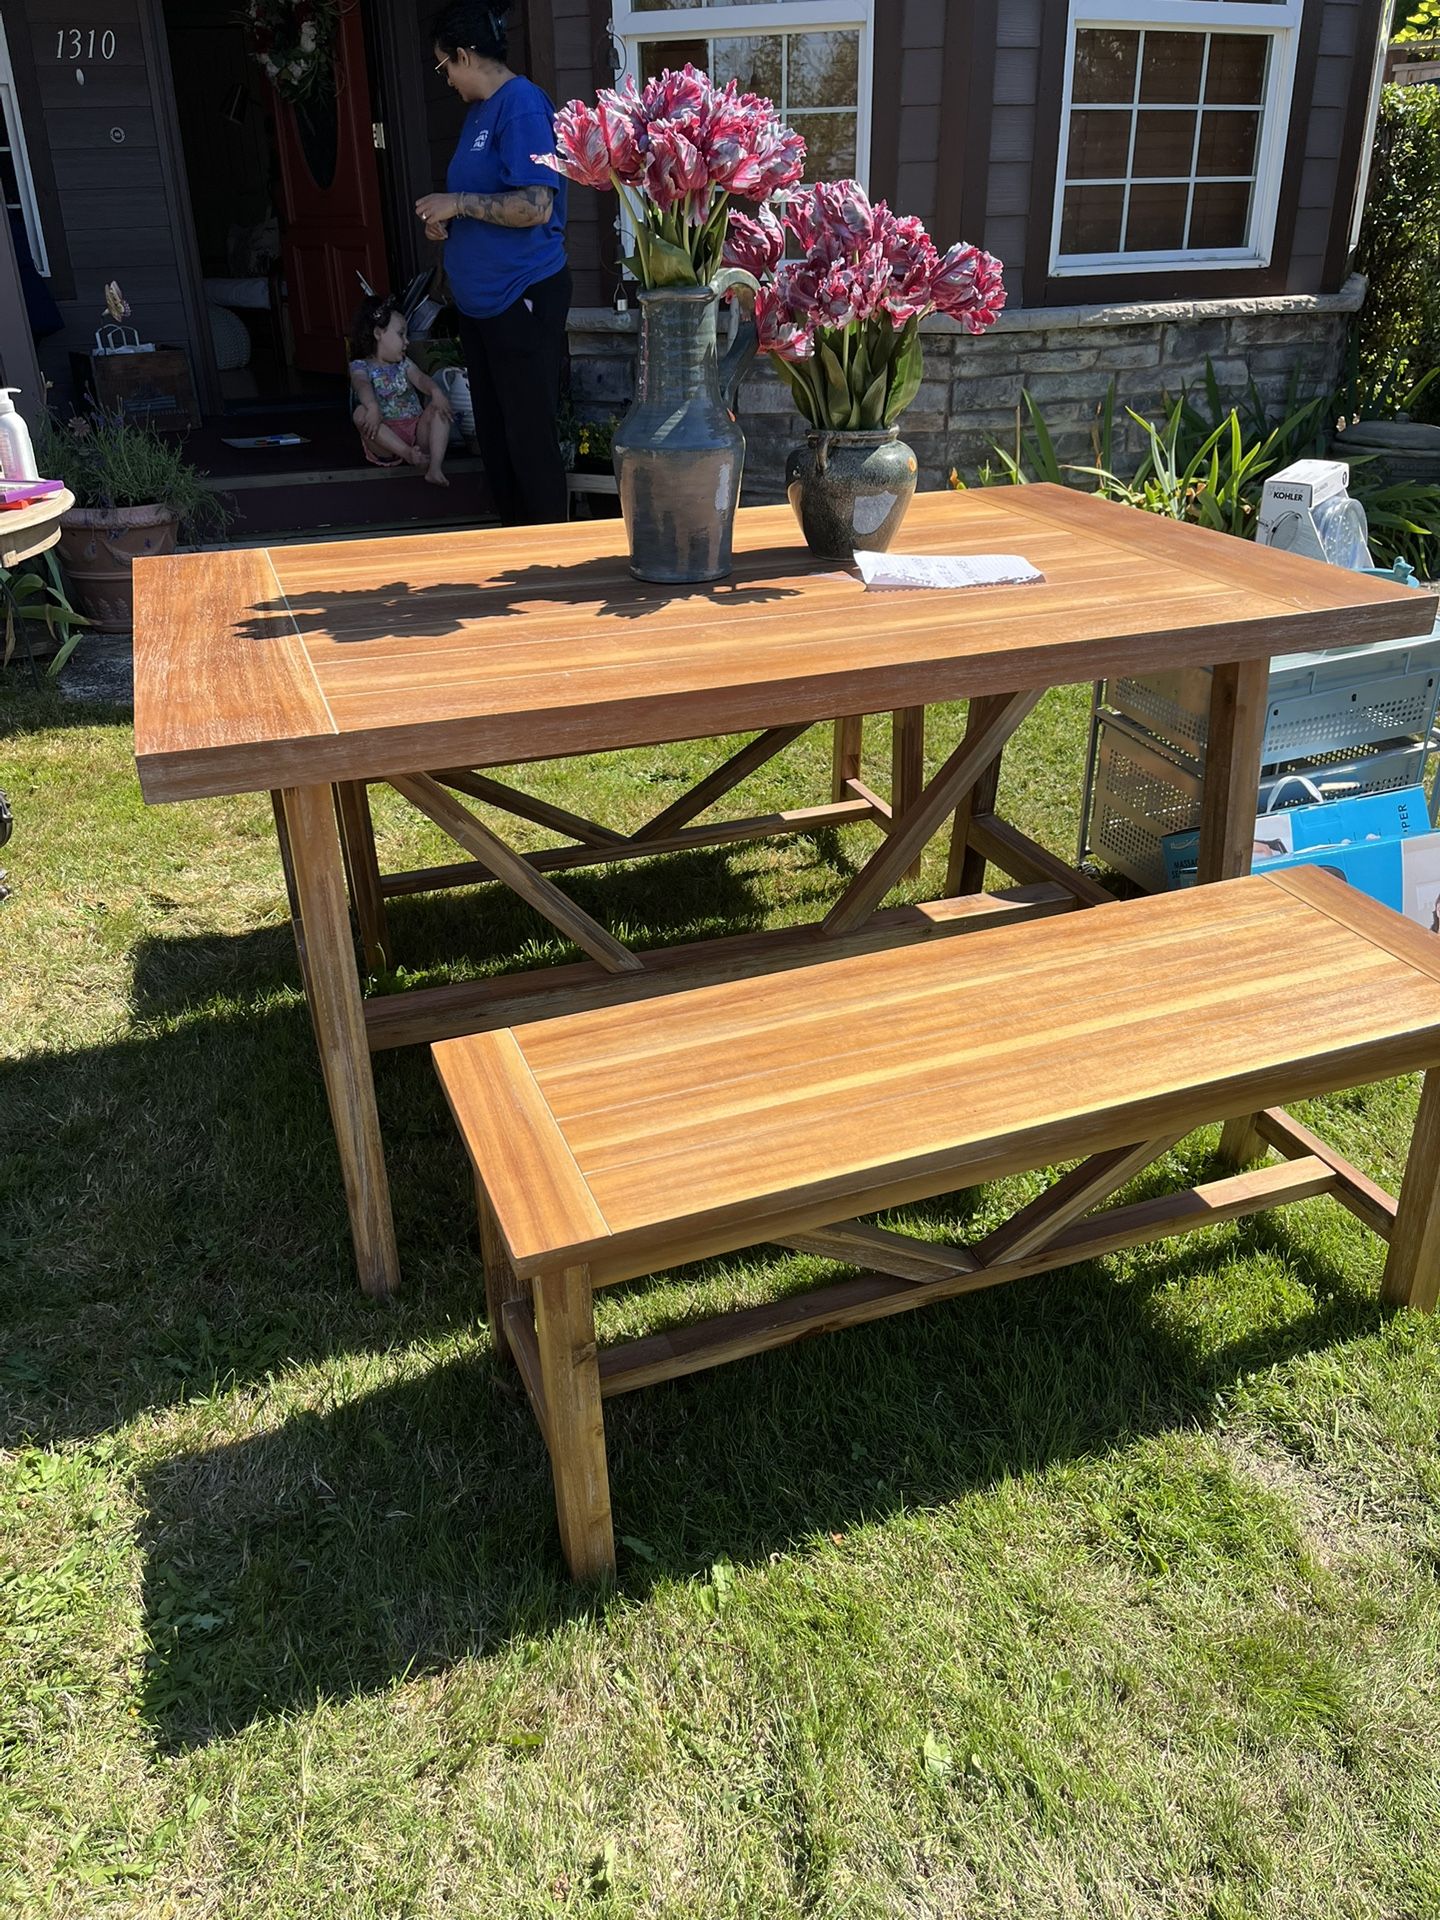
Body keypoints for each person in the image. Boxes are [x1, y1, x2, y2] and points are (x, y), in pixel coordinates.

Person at [415, 3, 570, 526]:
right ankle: (512, 547)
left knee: (528, 436)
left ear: (464, 55)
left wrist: (457, 203)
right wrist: (449, 221)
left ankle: (549, 557)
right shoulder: (479, 111)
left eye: (444, 67)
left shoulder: (521, 105)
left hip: (521, 294)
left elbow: (535, 204)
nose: (446, 80)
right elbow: (482, 197)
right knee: (497, 436)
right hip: (482, 304)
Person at [348, 295, 453, 486]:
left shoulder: (404, 363)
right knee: (360, 413)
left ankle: (434, 468)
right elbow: (361, 384)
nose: (407, 342)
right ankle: (406, 453)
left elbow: (421, 378)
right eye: (401, 334)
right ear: (379, 333)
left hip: (416, 433)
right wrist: (372, 407)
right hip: (384, 439)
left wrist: (436, 392)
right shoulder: (360, 366)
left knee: (439, 408)